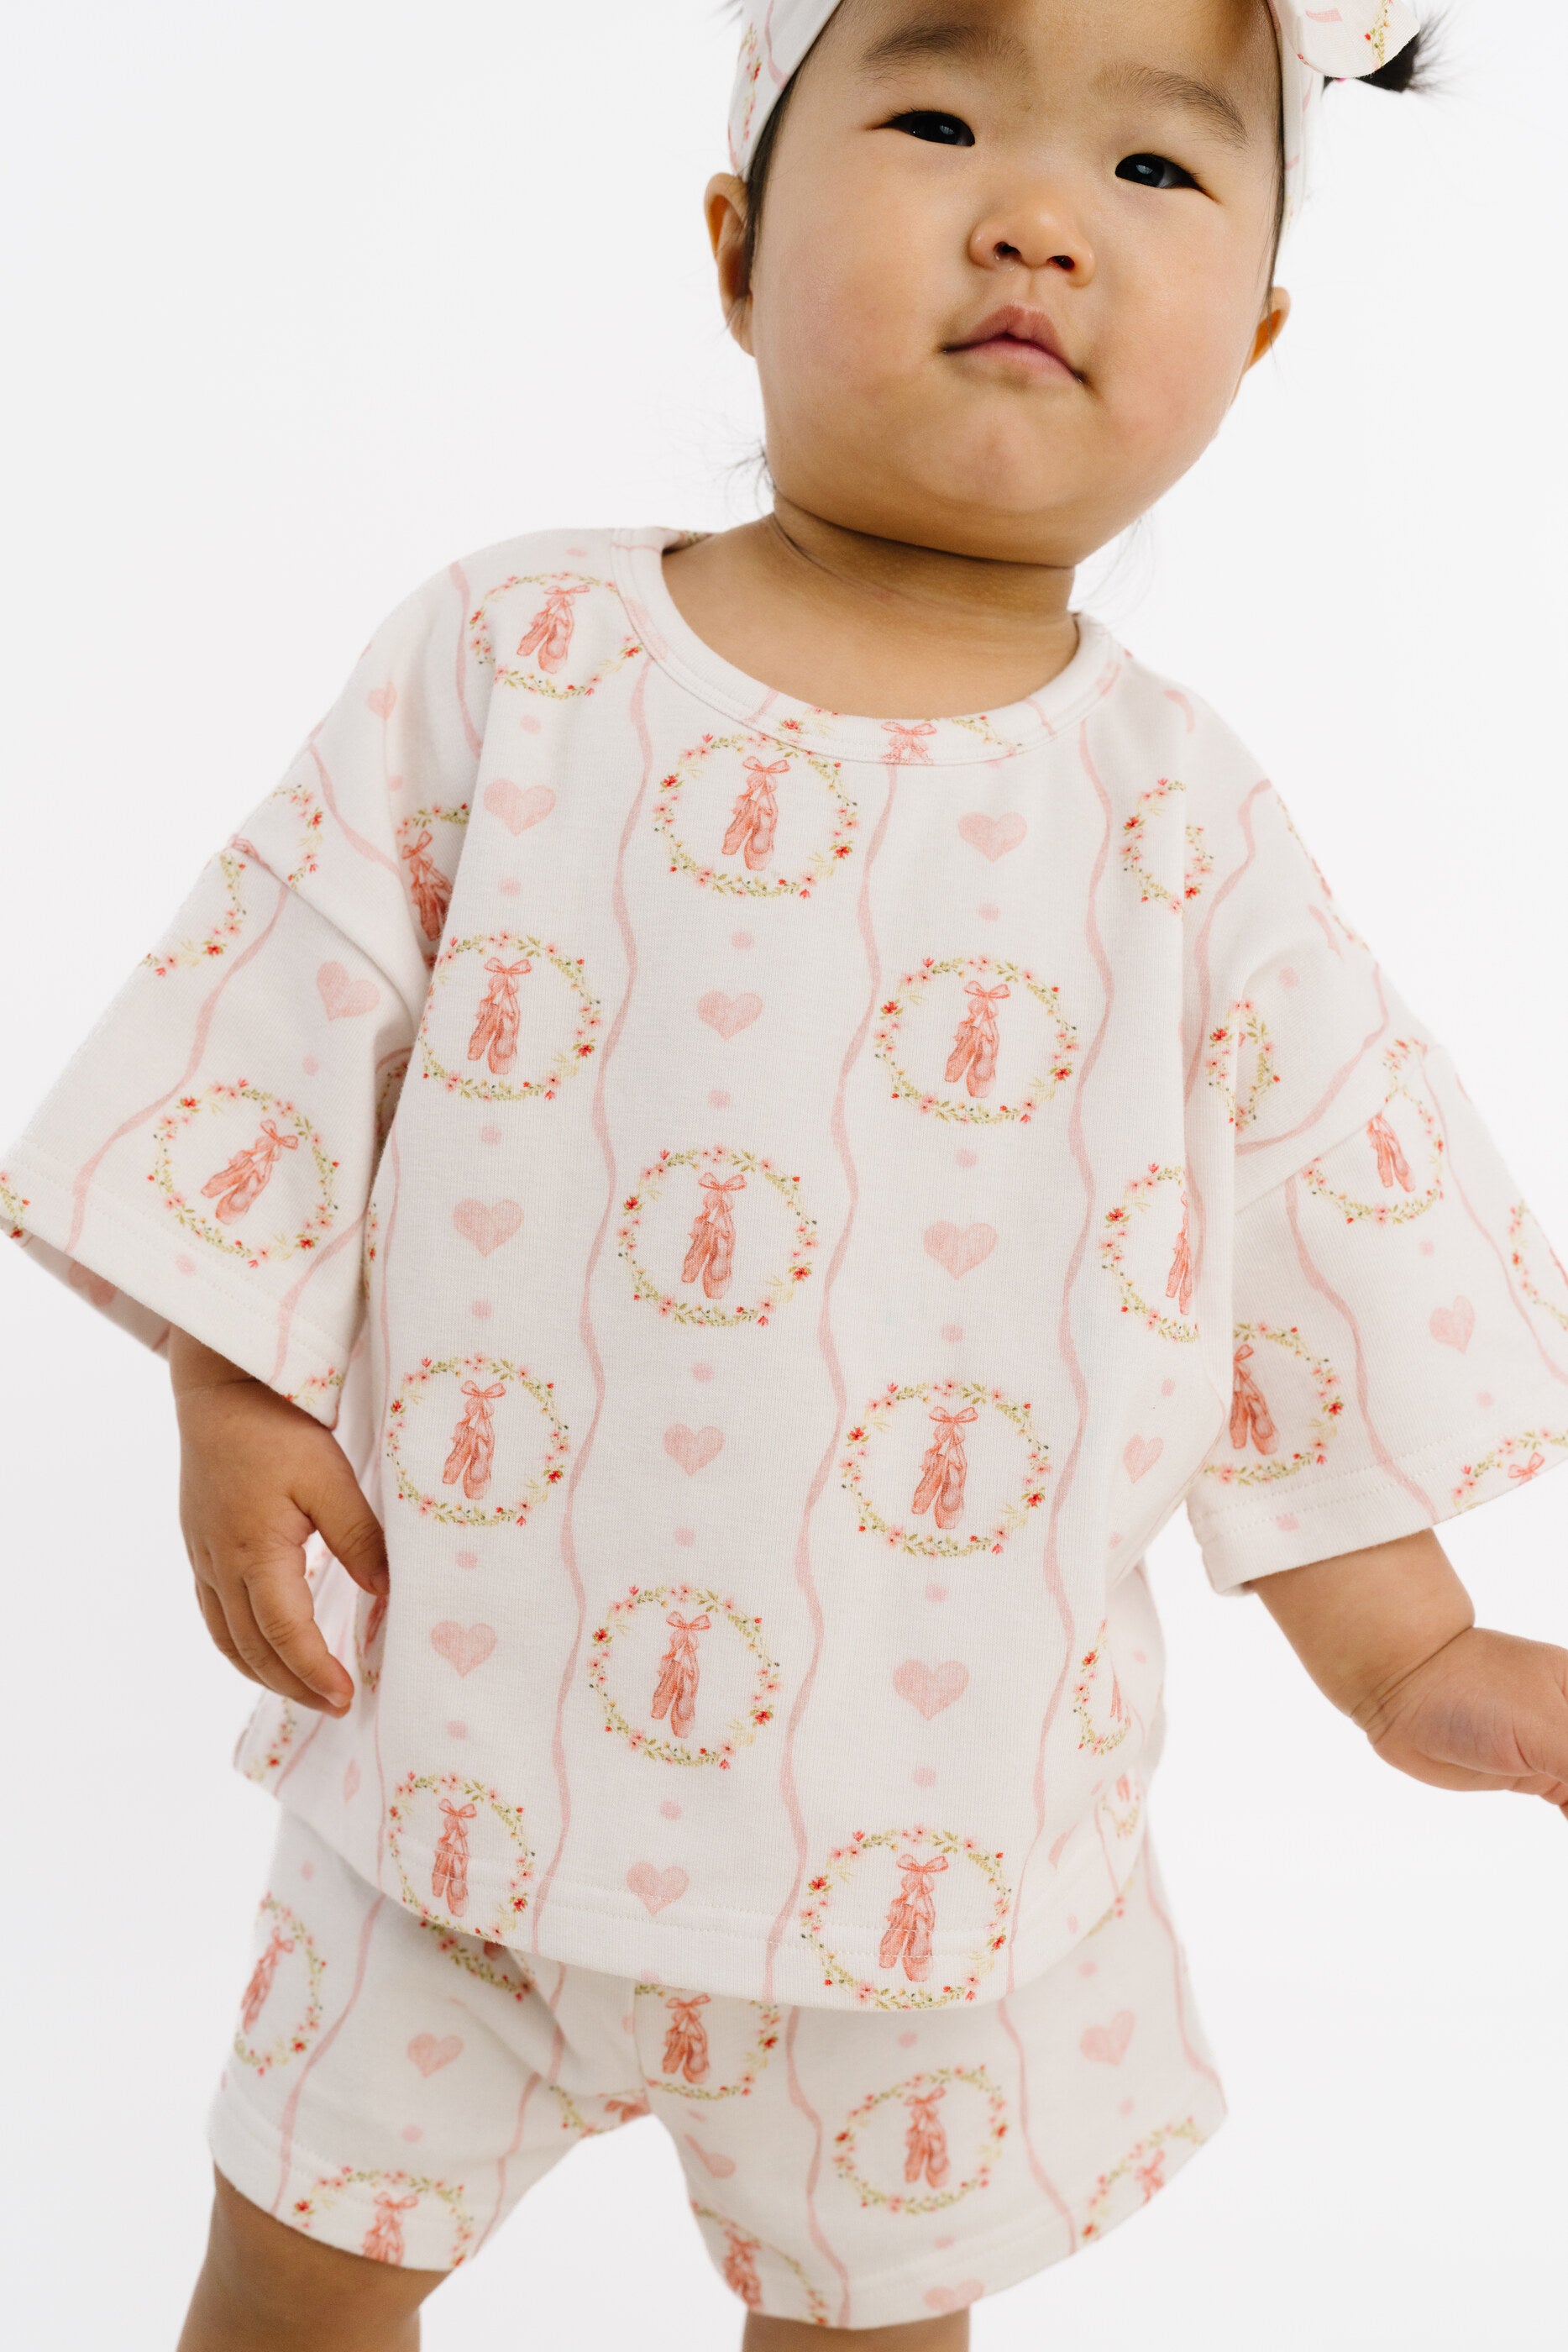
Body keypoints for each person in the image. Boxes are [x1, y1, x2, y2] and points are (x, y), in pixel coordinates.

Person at [5, 3, 1565, 2346]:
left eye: (1154, 169)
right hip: (452, 1783)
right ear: (734, 245)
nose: (1036, 218)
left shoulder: (1180, 828)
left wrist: (1408, 1654)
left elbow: (1294, 1269)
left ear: (1252, 339)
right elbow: (284, 1041)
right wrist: (232, 1391)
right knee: (294, 2285)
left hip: (927, 1852)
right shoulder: (518, 659)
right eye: (937, 115)